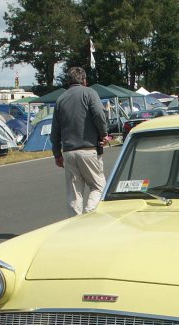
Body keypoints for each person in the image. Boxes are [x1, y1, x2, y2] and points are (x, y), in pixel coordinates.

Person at [50, 66, 108, 216]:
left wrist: (57, 154)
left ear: (68, 81)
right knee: (98, 186)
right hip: (88, 149)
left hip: (69, 152)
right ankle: (89, 214)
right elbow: (99, 114)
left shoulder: (60, 99)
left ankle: (74, 222)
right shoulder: (89, 93)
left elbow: (55, 131)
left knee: (74, 192)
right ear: (84, 80)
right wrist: (104, 134)